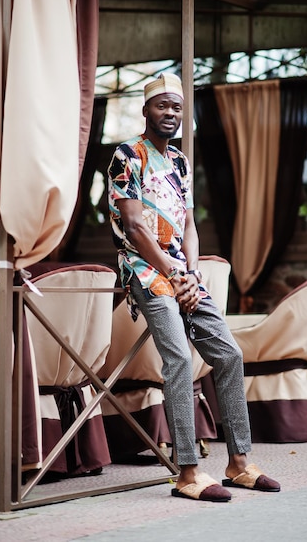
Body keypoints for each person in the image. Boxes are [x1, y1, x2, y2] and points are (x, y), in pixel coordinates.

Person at [107, 72, 280, 502]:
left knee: (229, 353)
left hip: (183, 273)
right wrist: (171, 270)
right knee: (180, 359)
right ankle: (187, 473)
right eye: (162, 105)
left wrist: (192, 270)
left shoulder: (181, 161)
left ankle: (239, 463)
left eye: (177, 107)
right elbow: (132, 224)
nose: (170, 113)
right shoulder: (127, 155)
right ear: (146, 109)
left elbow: (187, 222)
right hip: (145, 271)